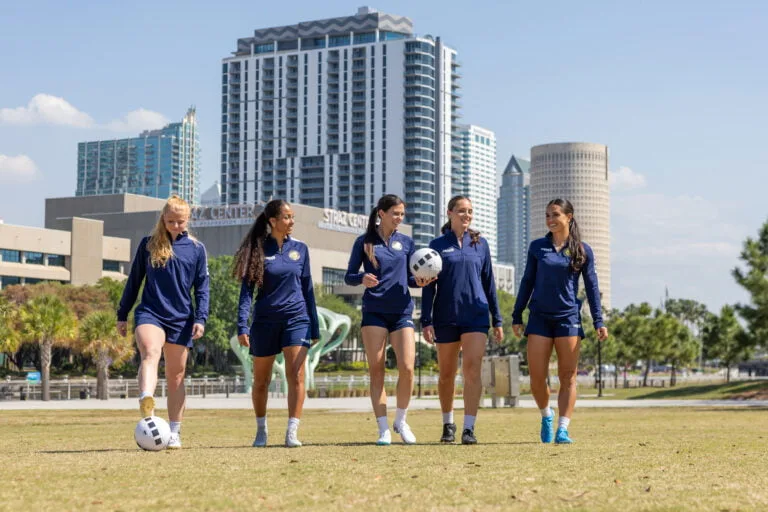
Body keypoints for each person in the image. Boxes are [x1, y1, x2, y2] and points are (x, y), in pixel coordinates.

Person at [512, 198, 608, 444]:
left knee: (568, 377)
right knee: (536, 378)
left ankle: (563, 429)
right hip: (539, 318)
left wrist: (599, 320)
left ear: (569, 217)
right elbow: (527, 282)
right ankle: (546, 415)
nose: (550, 219)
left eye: (555, 215)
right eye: (547, 215)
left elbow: (592, 286)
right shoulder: (537, 247)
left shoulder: (582, 250)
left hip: (568, 319)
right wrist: (517, 314)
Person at [117, 195, 210, 450]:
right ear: (163, 219)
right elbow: (133, 281)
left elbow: (202, 288)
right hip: (150, 312)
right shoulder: (148, 244)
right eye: (171, 221)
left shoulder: (197, 249)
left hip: (181, 318)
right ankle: (146, 398)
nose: (176, 226)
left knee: (176, 376)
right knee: (151, 352)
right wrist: (122, 314)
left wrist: (201, 318)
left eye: (180, 222)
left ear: (188, 220)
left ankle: (175, 432)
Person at [344, 194, 433, 445]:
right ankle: (383, 428)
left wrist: (422, 281)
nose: (399, 218)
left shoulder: (406, 243)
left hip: (402, 311)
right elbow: (348, 276)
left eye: (402, 214)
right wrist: (362, 278)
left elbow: (412, 278)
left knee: (406, 368)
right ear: (381, 213)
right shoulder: (364, 242)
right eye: (395, 213)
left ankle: (401, 421)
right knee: (377, 370)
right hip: (374, 312)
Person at [234, 199, 319, 448]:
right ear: (273, 221)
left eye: (292, 217)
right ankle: (261, 430)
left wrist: (313, 326)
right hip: (264, 321)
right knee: (261, 381)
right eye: (287, 217)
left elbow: (308, 289)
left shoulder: (301, 249)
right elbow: (246, 291)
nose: (292, 221)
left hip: (297, 319)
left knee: (297, 374)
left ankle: (292, 432)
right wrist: (242, 324)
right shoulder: (257, 249)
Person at [420, 195, 503, 445]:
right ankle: (448, 424)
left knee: (472, 370)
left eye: (470, 211)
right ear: (450, 213)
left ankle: (469, 428)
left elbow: (489, 283)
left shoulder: (481, 244)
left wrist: (497, 319)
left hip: (476, 316)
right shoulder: (437, 245)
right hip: (445, 316)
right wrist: (426, 320)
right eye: (461, 211)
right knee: (446, 374)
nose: (466, 215)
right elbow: (427, 286)